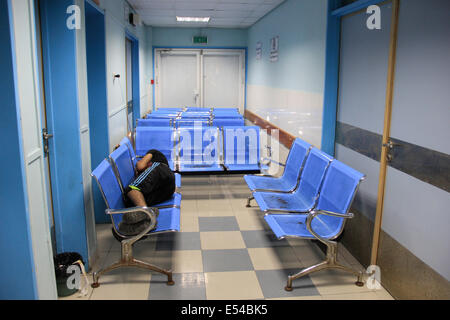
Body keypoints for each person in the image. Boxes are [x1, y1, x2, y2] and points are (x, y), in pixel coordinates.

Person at [118, 149, 176, 236]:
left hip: (161, 171)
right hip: (167, 189)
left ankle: (148, 215)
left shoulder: (154, 153)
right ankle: (139, 225)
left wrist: (138, 168)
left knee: (132, 189)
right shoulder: (154, 175)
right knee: (133, 200)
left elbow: (140, 166)